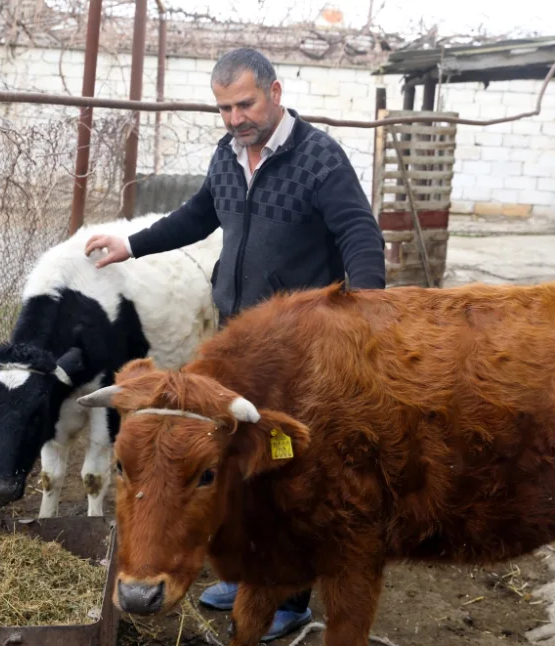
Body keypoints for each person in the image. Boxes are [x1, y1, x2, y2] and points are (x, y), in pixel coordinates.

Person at [84, 47, 386, 642]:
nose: (234, 118)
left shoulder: (319, 158)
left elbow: (358, 230)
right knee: (234, 459)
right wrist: (133, 245)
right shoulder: (228, 155)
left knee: (296, 472)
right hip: (241, 337)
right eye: (223, 107)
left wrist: (368, 312)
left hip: (304, 349)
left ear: (275, 92)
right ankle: (254, 571)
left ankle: (293, 595)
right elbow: (200, 215)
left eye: (244, 103)